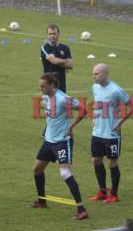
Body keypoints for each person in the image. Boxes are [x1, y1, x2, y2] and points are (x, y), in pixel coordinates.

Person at [31, 73, 88, 221]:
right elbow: (52, 118)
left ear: (52, 85)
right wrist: (45, 131)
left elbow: (83, 109)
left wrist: (72, 126)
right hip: (49, 141)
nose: (40, 88)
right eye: (40, 85)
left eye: (43, 85)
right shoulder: (45, 98)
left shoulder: (63, 99)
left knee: (65, 172)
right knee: (37, 169)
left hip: (63, 141)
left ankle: (81, 209)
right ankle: (42, 201)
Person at [89, 63, 133, 203]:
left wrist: (120, 122)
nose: (94, 76)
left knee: (112, 162)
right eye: (93, 73)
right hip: (97, 132)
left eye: (97, 74)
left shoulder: (116, 90)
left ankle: (114, 195)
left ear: (105, 74)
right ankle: (103, 191)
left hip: (111, 134)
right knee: (96, 160)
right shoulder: (95, 87)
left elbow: (132, 106)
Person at [40, 24, 73, 93]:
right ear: (47, 35)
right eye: (50, 34)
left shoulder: (65, 48)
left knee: (61, 103)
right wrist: (65, 61)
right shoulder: (45, 48)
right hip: (48, 85)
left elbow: (70, 65)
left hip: (61, 85)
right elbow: (54, 61)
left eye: (54, 33)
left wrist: (58, 61)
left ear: (58, 34)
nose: (52, 36)